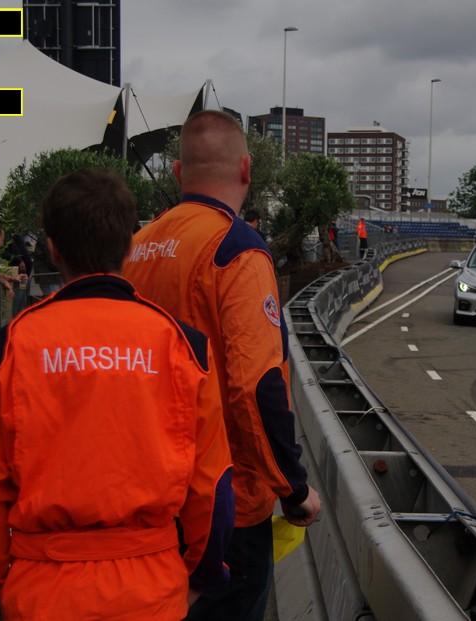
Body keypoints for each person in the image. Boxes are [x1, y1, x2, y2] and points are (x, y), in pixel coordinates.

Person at [0, 168, 234, 621]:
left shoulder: (5, 349)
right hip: (151, 590)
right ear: (129, 245)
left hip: (42, 593)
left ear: (52, 249)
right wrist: (201, 577)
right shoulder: (185, 346)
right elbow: (212, 486)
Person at [122, 110, 322, 621]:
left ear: (177, 173)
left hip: (143, 494)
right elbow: (256, 387)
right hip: (223, 502)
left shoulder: (137, 248)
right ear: (247, 169)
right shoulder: (236, 250)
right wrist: (293, 488)